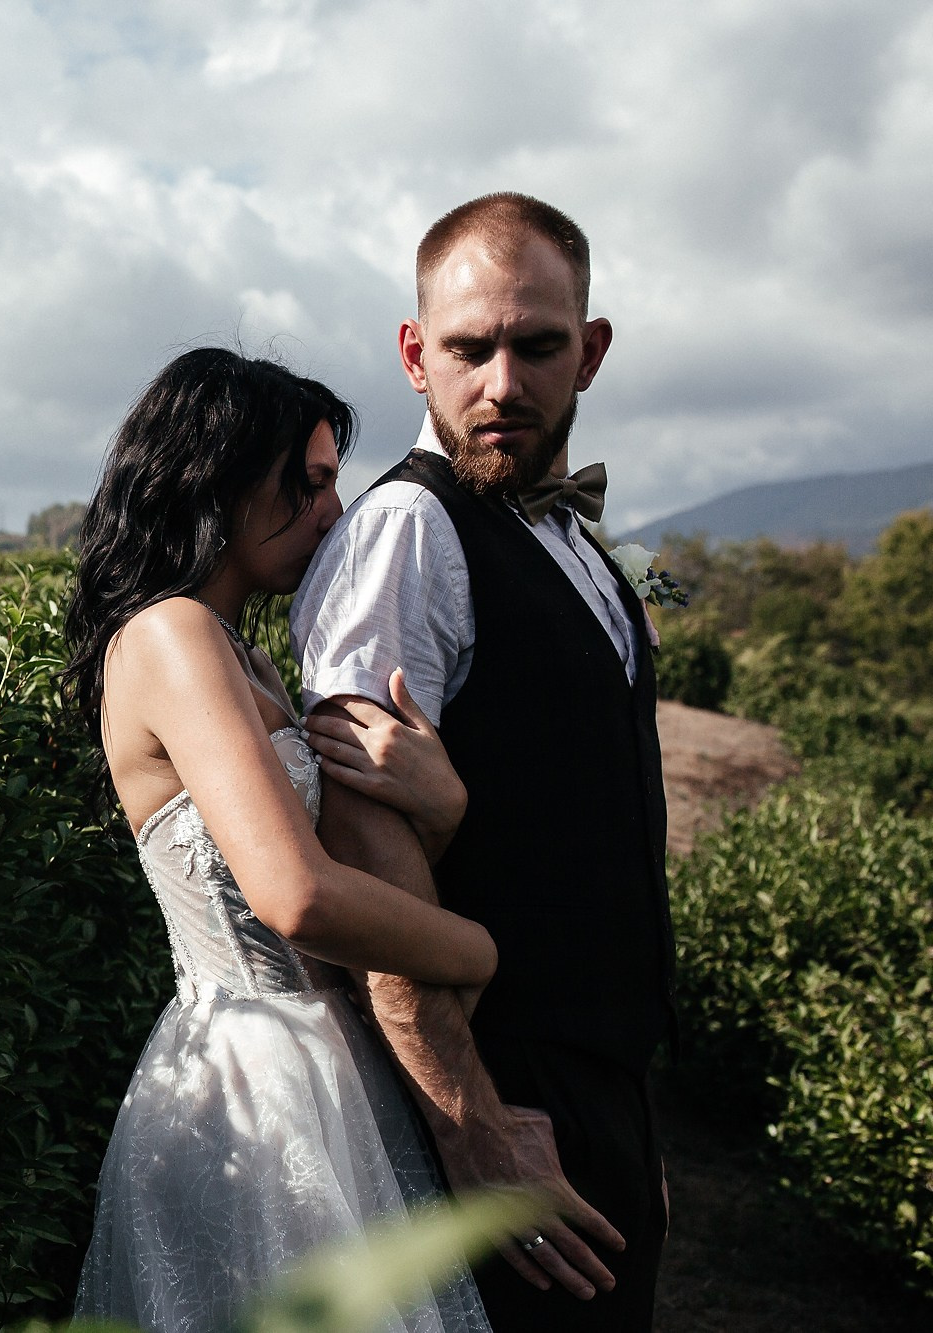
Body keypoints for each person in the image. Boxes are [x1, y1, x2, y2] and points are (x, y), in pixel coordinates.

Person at [292, 192, 672, 1332]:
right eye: (468, 348)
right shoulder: (408, 531)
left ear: (589, 352)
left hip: (587, 1088)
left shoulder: (576, 543)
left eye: (537, 345)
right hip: (494, 1093)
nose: (500, 383)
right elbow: (364, 850)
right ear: (415, 355)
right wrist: (471, 1127)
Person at [66, 348, 495, 1333]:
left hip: (321, 1067)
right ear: (213, 473)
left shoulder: (242, 652)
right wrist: (480, 948)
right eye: (305, 483)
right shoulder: (170, 633)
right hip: (252, 1078)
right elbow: (294, 894)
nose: (331, 513)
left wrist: (438, 807)